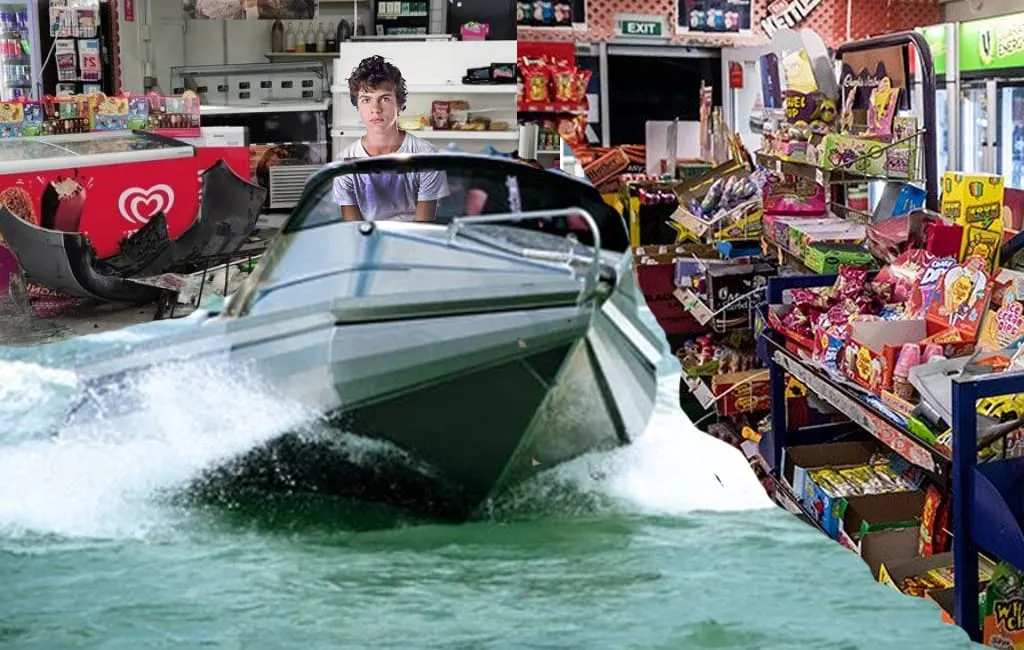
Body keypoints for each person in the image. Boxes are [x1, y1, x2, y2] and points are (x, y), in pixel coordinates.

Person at [332, 55, 449, 222]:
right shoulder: (345, 162)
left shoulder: (426, 155)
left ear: (399, 104)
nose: (375, 109)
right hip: (368, 243)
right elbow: (353, 230)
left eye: (385, 99)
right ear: (357, 106)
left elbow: (423, 228)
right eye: (366, 100)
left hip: (412, 243)